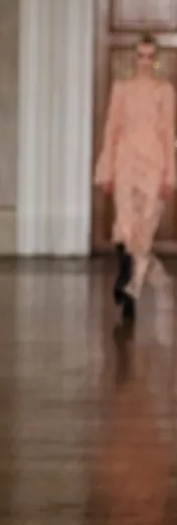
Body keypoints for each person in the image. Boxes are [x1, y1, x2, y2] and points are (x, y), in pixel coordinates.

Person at [95, 33, 176, 319]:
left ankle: (133, 286)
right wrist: (107, 169)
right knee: (125, 223)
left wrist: (170, 174)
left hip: (154, 161)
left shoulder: (164, 90)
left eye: (149, 56)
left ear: (154, 59)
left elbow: (169, 132)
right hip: (126, 159)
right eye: (140, 55)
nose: (144, 61)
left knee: (147, 224)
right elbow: (111, 129)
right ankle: (126, 276)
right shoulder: (122, 88)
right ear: (134, 57)